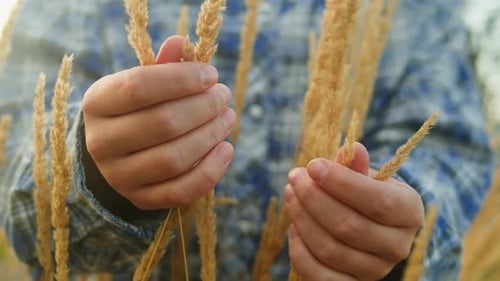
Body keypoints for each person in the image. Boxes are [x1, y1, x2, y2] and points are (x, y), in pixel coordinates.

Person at [0, 0, 493, 280]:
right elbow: (18, 165)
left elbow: (451, 147)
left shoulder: (410, 9)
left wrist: (393, 229)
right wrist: (94, 172)